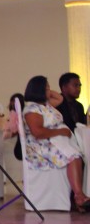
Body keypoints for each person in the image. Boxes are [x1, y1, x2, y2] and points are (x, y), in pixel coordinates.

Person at [21, 75, 90, 213]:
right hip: (41, 146)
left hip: (55, 142)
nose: (50, 90)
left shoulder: (45, 106)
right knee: (74, 156)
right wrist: (61, 132)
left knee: (76, 154)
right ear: (39, 90)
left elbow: (60, 98)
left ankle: (78, 196)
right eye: (46, 88)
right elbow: (37, 132)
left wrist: (46, 91)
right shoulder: (32, 109)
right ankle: (79, 196)